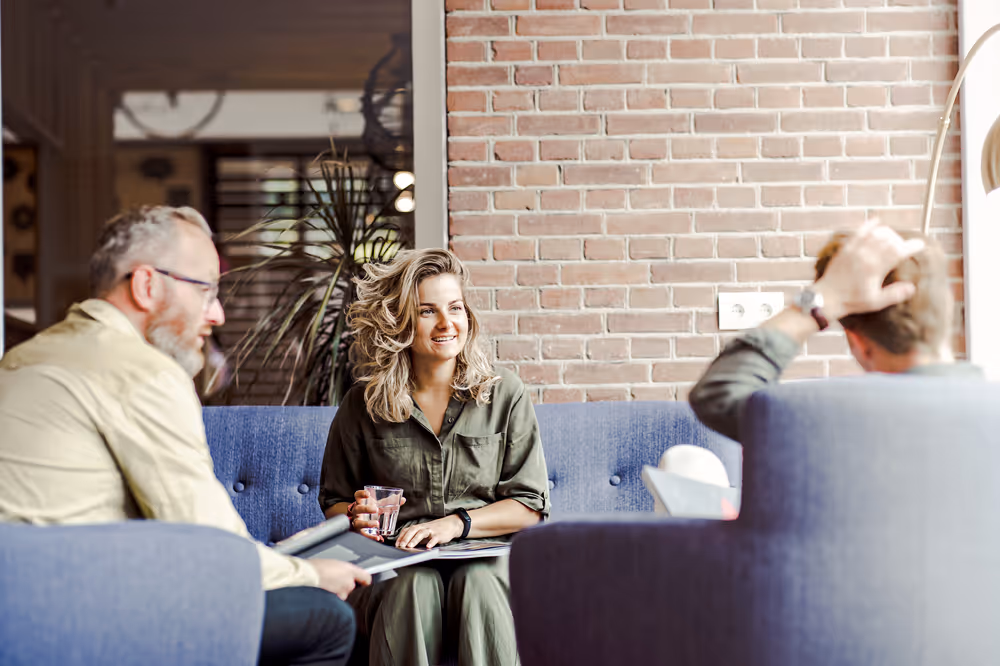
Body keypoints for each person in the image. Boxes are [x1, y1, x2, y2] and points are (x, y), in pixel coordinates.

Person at [0, 206, 370, 666]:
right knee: (323, 618)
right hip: (69, 610)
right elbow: (209, 547)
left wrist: (285, 558)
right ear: (146, 285)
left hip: (17, 604)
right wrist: (309, 573)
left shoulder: (24, 357)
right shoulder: (140, 371)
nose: (216, 314)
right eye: (206, 291)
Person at [319, 248, 550, 666]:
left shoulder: (505, 394)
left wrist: (455, 524)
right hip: (397, 562)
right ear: (401, 321)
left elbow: (530, 507)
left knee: (479, 585)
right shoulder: (362, 405)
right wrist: (357, 515)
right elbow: (335, 502)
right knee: (413, 585)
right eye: (428, 311)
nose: (447, 324)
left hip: (485, 556)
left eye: (455, 308)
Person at [690, 220, 982, 444]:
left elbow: (718, 393)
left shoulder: (830, 422)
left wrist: (824, 297)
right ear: (947, 303)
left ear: (858, 343)